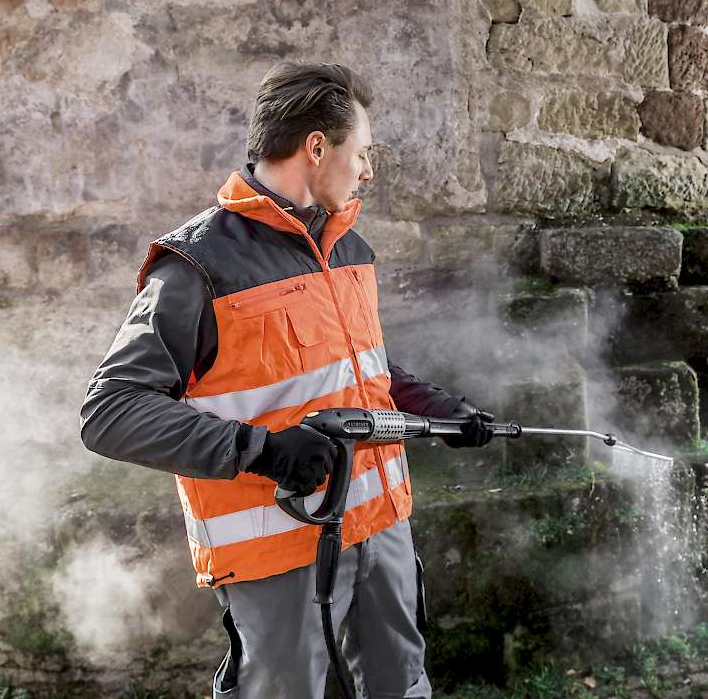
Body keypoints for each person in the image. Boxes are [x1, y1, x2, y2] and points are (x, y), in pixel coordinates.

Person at [80, 62, 495, 699]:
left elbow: (358, 369)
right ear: (317, 147)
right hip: (278, 553)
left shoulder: (348, 247)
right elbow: (111, 412)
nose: (368, 171)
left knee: (403, 687)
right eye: (364, 152)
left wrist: (434, 408)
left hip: (381, 530)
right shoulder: (198, 265)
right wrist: (263, 451)